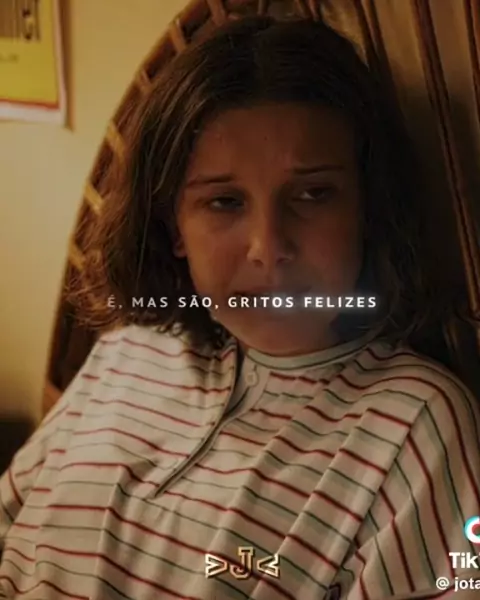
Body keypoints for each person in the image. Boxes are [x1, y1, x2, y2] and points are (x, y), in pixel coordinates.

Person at [1, 15, 479, 600]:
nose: (267, 247)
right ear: (174, 227)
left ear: (367, 210)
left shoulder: (414, 426)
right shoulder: (125, 353)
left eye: (313, 194)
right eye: (224, 202)